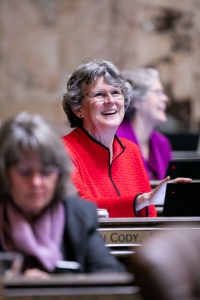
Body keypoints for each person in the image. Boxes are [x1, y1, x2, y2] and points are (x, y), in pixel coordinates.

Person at [0, 112, 124, 278]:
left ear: (59, 174)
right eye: (25, 172)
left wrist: (58, 285)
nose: (36, 182)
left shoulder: (79, 215)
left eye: (46, 172)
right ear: (5, 174)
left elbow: (111, 276)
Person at [62, 60, 191, 218]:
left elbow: (149, 215)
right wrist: (142, 200)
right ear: (78, 109)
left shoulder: (130, 150)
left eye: (116, 93)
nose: (111, 101)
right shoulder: (64, 151)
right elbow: (81, 207)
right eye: (99, 94)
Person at [117, 68, 172, 180]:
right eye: (157, 92)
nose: (165, 98)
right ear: (136, 101)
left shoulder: (162, 143)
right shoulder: (115, 140)